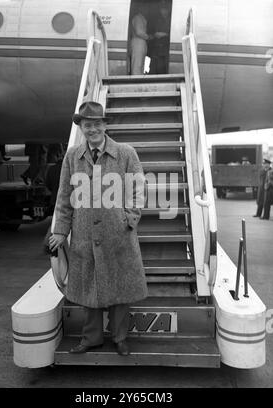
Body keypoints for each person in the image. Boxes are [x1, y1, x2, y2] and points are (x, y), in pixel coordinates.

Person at [49, 101, 148, 356]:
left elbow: (138, 189)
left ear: (105, 125)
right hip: (84, 234)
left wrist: (129, 219)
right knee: (88, 290)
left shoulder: (126, 153)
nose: (91, 129)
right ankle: (91, 339)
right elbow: (64, 195)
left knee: (120, 289)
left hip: (118, 234)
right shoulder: (72, 155)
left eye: (96, 124)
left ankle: (120, 338)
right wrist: (60, 230)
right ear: (81, 127)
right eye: (86, 125)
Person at [148, 0, 171, 74]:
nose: (163, 11)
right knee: (153, 68)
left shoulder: (171, 20)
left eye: (165, 9)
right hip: (156, 48)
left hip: (166, 48)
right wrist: (155, 34)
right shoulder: (158, 20)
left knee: (163, 69)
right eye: (162, 9)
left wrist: (164, 34)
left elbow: (174, 34)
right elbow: (151, 32)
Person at [129, 7, 151, 75]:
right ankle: (135, 82)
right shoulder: (138, 18)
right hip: (138, 42)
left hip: (141, 42)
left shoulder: (142, 18)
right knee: (137, 65)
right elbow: (139, 32)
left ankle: (139, 81)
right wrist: (148, 37)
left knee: (141, 65)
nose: (147, 10)